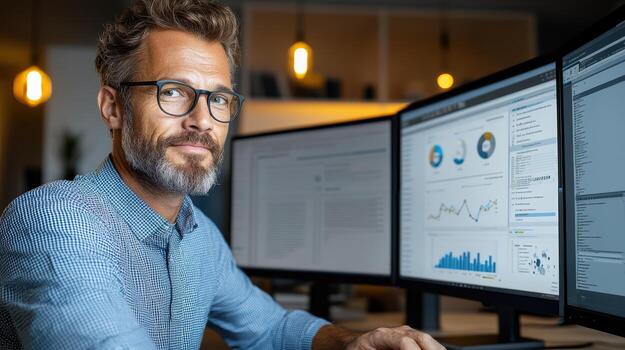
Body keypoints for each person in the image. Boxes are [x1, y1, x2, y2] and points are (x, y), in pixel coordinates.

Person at [0, 1, 445, 349]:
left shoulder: (199, 236)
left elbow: (270, 328)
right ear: (113, 108)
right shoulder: (52, 221)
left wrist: (352, 341)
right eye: (172, 91)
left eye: (219, 98)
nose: (201, 119)